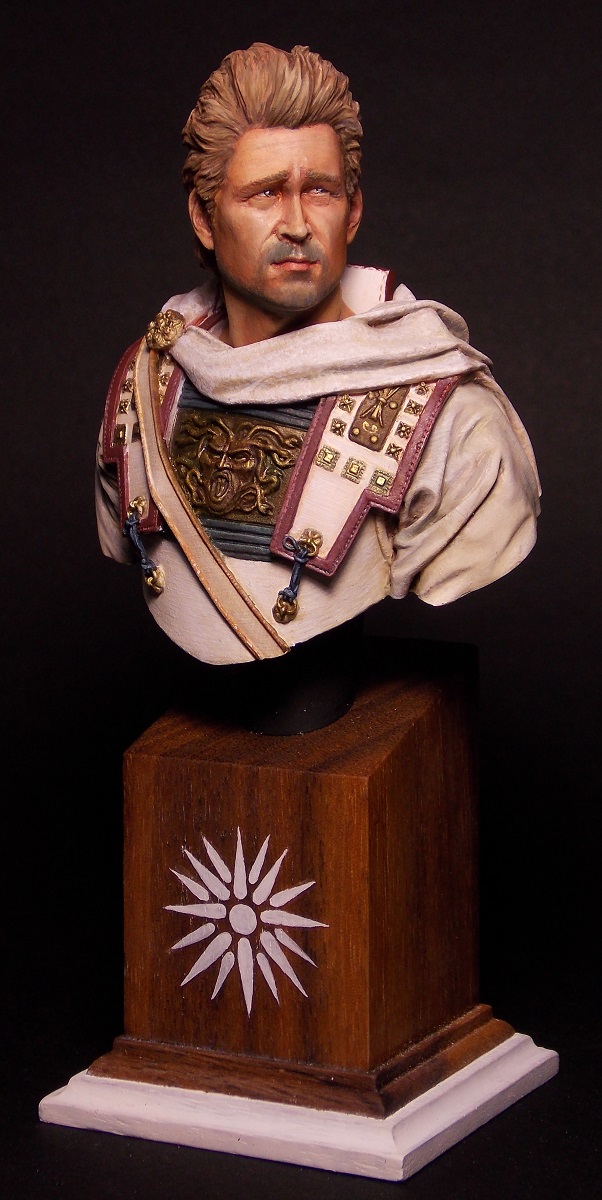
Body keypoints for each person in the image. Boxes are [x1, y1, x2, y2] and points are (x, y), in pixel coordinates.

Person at [96, 43, 540, 668]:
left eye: (321, 191)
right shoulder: (144, 385)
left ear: (353, 212)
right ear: (203, 217)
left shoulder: (457, 426)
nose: (298, 224)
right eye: (265, 194)